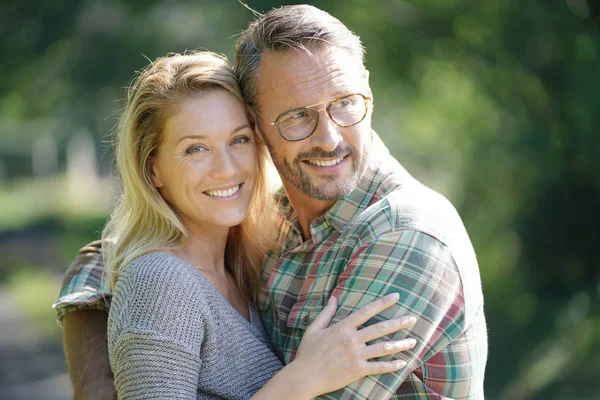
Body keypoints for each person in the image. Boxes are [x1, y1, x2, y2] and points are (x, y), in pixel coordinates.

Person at [54, 4, 488, 399]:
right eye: (297, 115)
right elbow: (123, 262)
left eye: (344, 103)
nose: (329, 138)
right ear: (261, 125)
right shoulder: (273, 226)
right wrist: (97, 382)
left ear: (367, 90)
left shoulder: (405, 236)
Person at [80, 50, 417, 399]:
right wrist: (302, 379)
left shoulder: (245, 266)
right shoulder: (161, 282)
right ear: (153, 170)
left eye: (239, 140)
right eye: (196, 149)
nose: (226, 168)